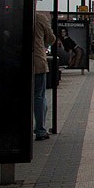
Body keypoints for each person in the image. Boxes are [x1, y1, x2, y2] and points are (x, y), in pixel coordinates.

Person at [33, 11, 56, 140]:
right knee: (39, 97)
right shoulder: (39, 18)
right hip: (37, 63)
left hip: (14, 62)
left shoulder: (13, 15)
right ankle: (40, 130)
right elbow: (51, 38)